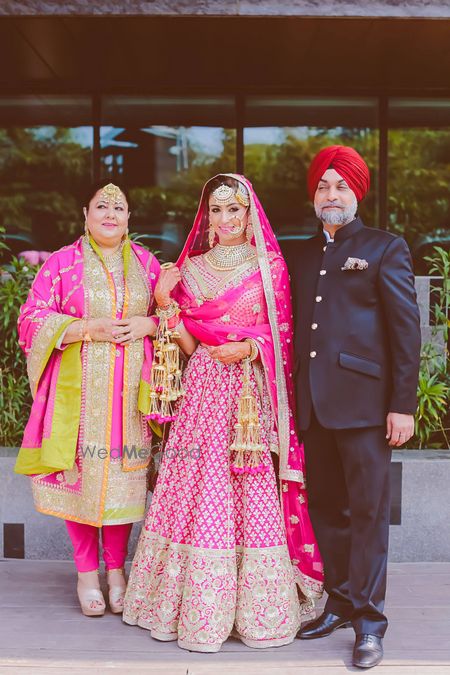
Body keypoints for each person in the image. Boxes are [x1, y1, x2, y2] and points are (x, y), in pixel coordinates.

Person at [123, 174, 323, 652]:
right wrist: (166, 301)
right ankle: (192, 606)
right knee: (199, 486)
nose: (225, 219)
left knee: (247, 483)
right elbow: (189, 345)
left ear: (250, 213)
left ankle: (255, 608)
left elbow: (285, 337)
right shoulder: (189, 269)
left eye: (234, 209)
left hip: (249, 399)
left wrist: (252, 349)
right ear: (206, 216)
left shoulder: (269, 266)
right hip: (203, 393)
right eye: (216, 210)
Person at [289, 146, 421, 669]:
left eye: (340, 185)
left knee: (367, 516)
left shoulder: (385, 248)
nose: (331, 194)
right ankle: (339, 604)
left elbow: (405, 332)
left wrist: (402, 405)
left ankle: (370, 624)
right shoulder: (298, 254)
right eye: (323, 186)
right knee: (327, 511)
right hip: (314, 407)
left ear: (357, 192)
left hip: (367, 409)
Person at [15, 182, 160, 617]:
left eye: (120, 206)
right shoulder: (62, 263)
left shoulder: (147, 265)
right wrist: (83, 329)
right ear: (86, 213)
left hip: (130, 398)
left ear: (130, 217)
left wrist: (148, 324)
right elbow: (31, 319)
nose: (111, 213)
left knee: (122, 482)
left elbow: (175, 315)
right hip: (76, 401)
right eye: (103, 206)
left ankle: (117, 572)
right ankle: (85, 575)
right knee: (80, 483)